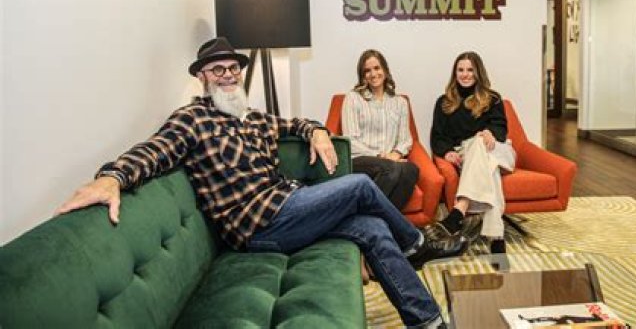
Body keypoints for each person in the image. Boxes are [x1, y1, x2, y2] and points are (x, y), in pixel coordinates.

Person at [55, 37, 467, 328]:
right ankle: (417, 244)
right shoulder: (193, 119)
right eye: (218, 70)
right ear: (203, 78)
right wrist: (113, 176)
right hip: (258, 227)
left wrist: (316, 131)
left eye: (233, 68)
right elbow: (156, 149)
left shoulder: (253, 117)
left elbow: (295, 123)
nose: (228, 75)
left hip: (288, 206)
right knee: (359, 185)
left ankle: (427, 321)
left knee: (373, 227)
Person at [429, 51, 516, 254]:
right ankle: (496, 238)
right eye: (460, 70)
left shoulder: (493, 98)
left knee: (479, 141)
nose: (465, 74)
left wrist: (490, 133)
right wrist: (447, 152)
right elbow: (437, 136)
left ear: (478, 73)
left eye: (470, 70)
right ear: (455, 73)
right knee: (490, 171)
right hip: (470, 155)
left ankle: (460, 207)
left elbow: (501, 129)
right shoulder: (444, 102)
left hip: (498, 150)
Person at [342, 49, 419, 211]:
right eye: (367, 70)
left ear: (385, 69)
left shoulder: (400, 102)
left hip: (390, 161)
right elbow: (350, 140)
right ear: (363, 75)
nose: (373, 74)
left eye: (377, 68)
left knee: (411, 170)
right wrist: (380, 156)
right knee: (390, 168)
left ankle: (380, 220)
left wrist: (394, 155)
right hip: (360, 159)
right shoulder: (353, 98)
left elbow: (405, 139)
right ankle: (371, 217)